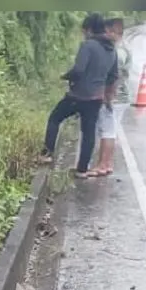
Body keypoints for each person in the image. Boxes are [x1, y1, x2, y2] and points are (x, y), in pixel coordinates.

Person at [38, 13, 119, 178]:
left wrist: (66, 76)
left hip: (78, 96)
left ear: (89, 29)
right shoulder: (112, 50)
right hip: (97, 98)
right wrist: (105, 92)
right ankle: (82, 170)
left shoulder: (88, 45)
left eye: (84, 31)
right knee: (89, 132)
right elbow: (113, 76)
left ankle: (46, 154)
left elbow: (79, 70)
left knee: (55, 118)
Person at [88, 17, 130, 177]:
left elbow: (114, 77)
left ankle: (102, 165)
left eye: (106, 31)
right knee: (110, 130)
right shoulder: (120, 48)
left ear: (113, 32)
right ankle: (108, 163)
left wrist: (108, 97)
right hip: (119, 97)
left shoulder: (118, 53)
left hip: (114, 98)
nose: (104, 34)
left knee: (107, 131)